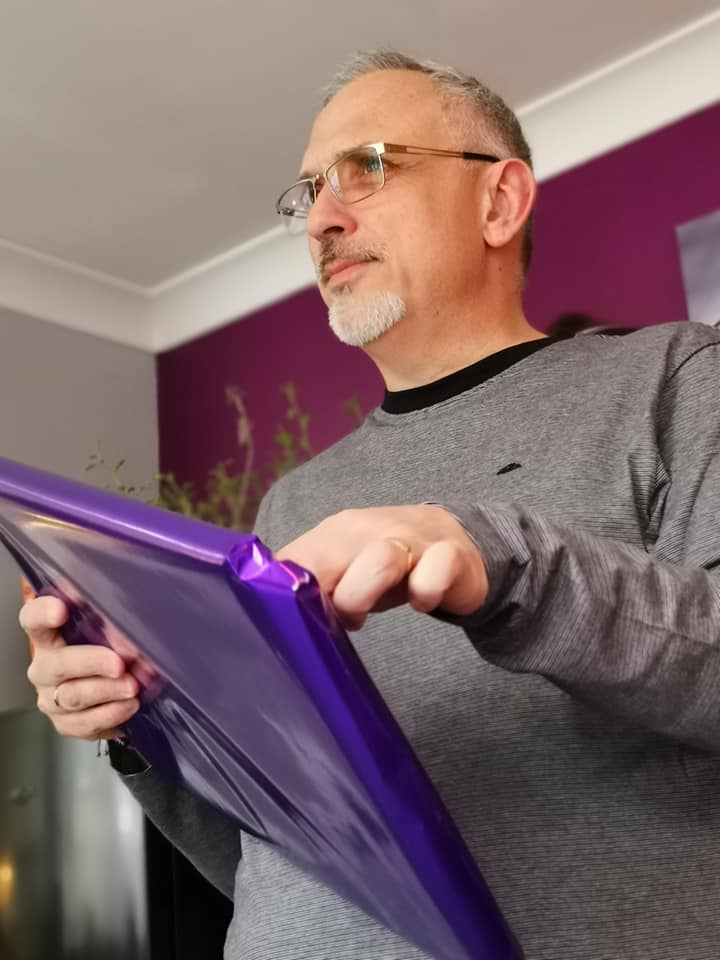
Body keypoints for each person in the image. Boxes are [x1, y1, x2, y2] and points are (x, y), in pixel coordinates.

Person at [20, 50, 720, 960]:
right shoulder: (292, 505)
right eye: (309, 191)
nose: (322, 218)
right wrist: (138, 719)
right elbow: (266, 855)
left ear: (499, 201)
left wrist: (499, 557)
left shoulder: (675, 378)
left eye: (369, 167)